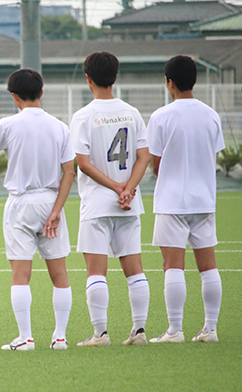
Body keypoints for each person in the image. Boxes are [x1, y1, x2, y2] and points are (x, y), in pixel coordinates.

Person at [0, 68, 75, 351]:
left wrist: (2, 146)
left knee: (21, 275)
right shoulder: (59, 126)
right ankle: (60, 337)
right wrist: (57, 210)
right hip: (51, 201)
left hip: (20, 203)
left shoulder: (7, 124)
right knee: (60, 274)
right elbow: (69, 171)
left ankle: (26, 338)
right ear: (41, 92)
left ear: (14, 96)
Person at [70, 52, 151, 347]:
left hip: (97, 204)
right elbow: (143, 157)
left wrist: (116, 188)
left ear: (87, 78)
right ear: (115, 77)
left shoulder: (83, 116)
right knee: (135, 270)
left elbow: (83, 163)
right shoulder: (132, 112)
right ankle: (139, 330)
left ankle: (100, 334)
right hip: (129, 204)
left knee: (96, 272)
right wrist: (128, 189)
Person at [147, 55, 224, 344]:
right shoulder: (211, 115)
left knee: (173, 266)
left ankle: (175, 330)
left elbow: (156, 163)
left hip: (172, 201)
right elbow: (212, 154)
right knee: (209, 266)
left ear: (170, 83)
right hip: (204, 200)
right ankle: (210, 329)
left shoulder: (161, 116)